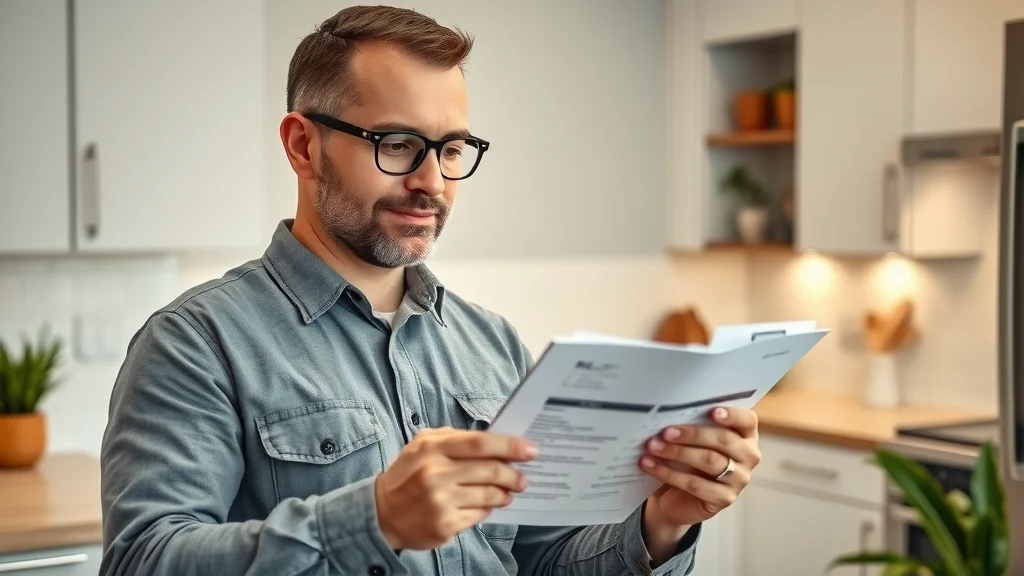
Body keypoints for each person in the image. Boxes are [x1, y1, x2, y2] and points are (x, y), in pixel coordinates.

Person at [99, 5, 762, 575]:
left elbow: (538, 556)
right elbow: (142, 559)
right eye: (397, 143)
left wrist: (661, 524)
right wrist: (373, 519)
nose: (433, 183)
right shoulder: (195, 343)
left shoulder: (490, 342)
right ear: (304, 147)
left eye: (450, 149)